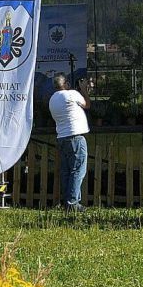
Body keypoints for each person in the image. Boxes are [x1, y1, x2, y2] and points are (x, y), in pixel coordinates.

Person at [49, 72, 92, 212]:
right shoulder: (72, 94)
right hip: (75, 137)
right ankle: (72, 203)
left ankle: (68, 202)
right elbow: (87, 105)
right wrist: (84, 89)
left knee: (67, 171)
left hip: (62, 137)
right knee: (78, 170)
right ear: (66, 83)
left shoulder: (52, 99)